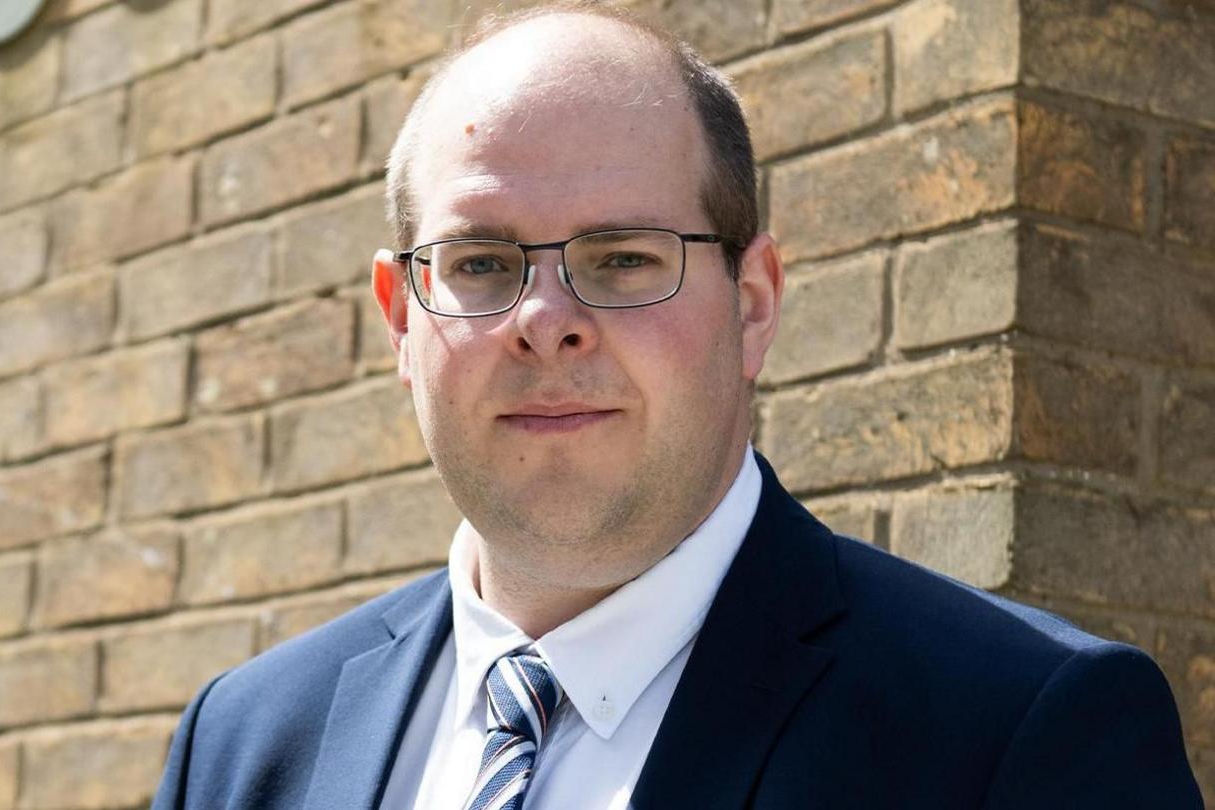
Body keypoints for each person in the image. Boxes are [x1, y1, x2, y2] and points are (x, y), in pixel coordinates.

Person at [151, 4, 1204, 808]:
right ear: (398, 320)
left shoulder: (1022, 733)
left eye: (621, 259)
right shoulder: (243, 744)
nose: (546, 319)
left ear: (752, 307)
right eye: (480, 261)